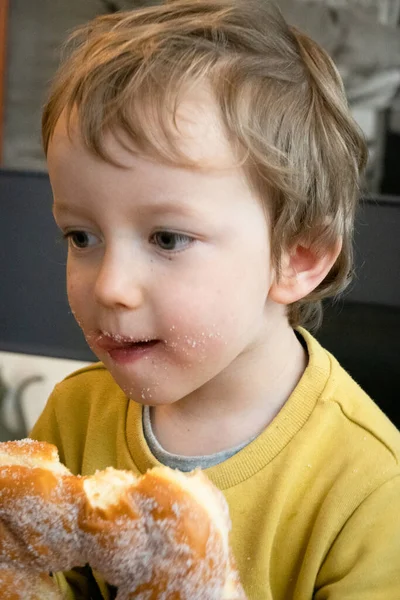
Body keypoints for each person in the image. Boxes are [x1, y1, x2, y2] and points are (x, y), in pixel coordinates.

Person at [30, 0, 400, 598]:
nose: (110, 286)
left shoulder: (369, 491)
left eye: (168, 238)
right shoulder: (73, 421)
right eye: (82, 236)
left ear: (296, 257)